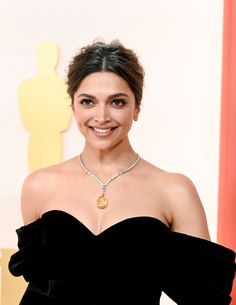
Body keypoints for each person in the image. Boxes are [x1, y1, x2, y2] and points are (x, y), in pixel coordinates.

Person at [9, 39, 235, 305]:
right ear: (73, 107)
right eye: (88, 101)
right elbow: (37, 288)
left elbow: (203, 299)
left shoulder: (174, 191)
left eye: (117, 102)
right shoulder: (39, 186)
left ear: (136, 108)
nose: (102, 116)